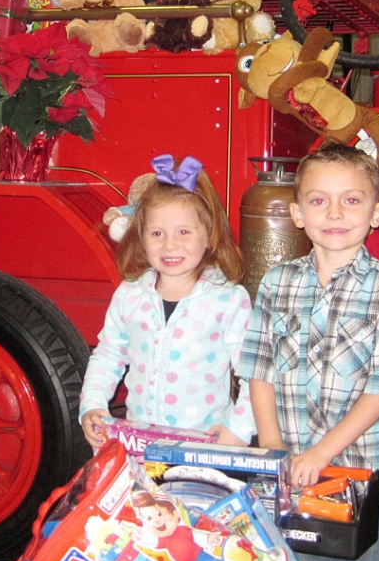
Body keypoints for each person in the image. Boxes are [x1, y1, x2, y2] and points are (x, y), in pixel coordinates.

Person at [237, 143, 379, 561]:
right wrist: (273, 446)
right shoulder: (277, 283)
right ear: (297, 213)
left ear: (377, 212)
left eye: (351, 200)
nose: (334, 212)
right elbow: (258, 368)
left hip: (360, 474)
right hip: (293, 475)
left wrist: (321, 453)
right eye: (318, 200)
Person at [80, 153, 255, 449]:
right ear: (141, 237)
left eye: (184, 232)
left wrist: (237, 428)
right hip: (139, 446)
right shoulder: (130, 294)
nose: (169, 244)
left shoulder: (228, 300)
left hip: (204, 446)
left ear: (209, 235)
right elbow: (108, 356)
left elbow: (255, 374)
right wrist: (93, 405)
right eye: (157, 233)